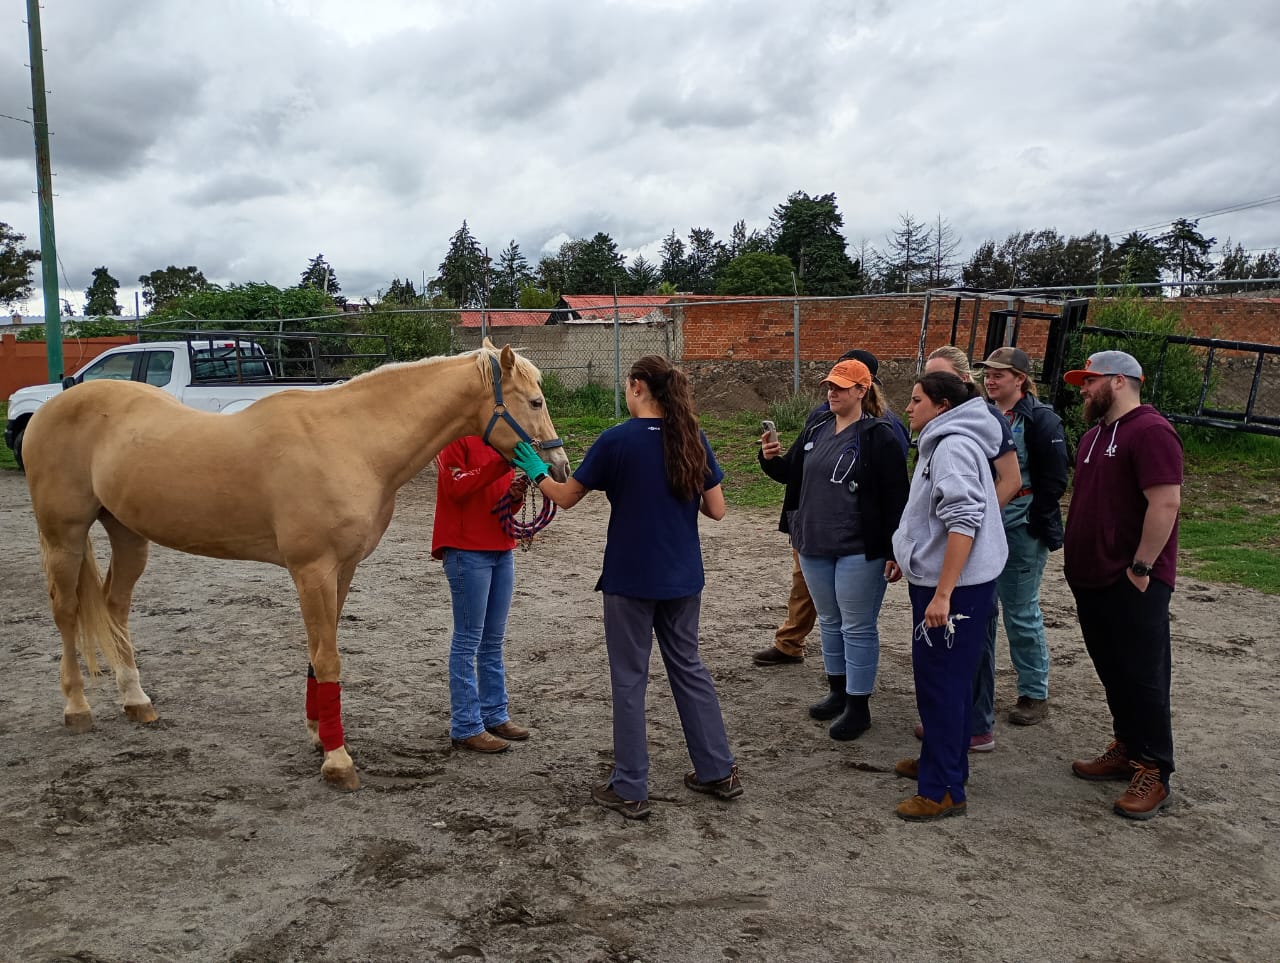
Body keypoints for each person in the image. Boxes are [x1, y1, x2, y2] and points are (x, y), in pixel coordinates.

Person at [510, 355, 739, 821]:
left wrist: (535, 468)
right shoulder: (691, 436)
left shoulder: (616, 440)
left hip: (631, 577)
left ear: (637, 386)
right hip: (683, 577)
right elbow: (717, 510)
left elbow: (566, 498)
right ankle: (718, 770)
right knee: (689, 668)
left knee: (630, 679)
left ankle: (631, 786)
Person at [759, 357, 909, 739]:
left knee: (857, 626)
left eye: (841, 387)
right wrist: (769, 458)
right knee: (829, 621)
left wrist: (894, 549)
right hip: (813, 542)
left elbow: (897, 497)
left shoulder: (879, 435)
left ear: (862, 390)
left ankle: (859, 706)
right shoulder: (818, 425)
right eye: (830, 386)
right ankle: (837, 691)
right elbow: (791, 472)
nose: (832, 393)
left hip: (859, 547)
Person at [1062, 350, 1183, 821]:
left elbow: (1165, 502)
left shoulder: (1151, 430)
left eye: (1090, 381)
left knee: (1143, 675)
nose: (1084, 389)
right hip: (1091, 576)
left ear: (1118, 381)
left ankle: (1155, 768)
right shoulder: (1093, 436)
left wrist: (1142, 567)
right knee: (1113, 670)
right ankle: (1128, 747)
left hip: (1132, 579)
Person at [888, 372, 1008, 821]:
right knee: (947, 683)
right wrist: (907, 553)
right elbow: (930, 517)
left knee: (941, 684)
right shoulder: (943, 443)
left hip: (953, 590)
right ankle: (945, 764)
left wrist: (943, 593)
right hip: (944, 581)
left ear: (942, 406)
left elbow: (964, 522)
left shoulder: (953, 447)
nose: (909, 408)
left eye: (916, 400)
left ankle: (942, 790)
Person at [916, 345, 1020, 752]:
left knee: (972, 643)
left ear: (958, 385)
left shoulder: (976, 424)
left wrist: (972, 530)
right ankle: (949, 731)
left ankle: (976, 725)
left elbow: (1009, 480)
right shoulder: (940, 432)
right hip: (949, 550)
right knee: (945, 657)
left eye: (937, 378)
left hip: (967, 557)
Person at [973, 347, 1069, 729]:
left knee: (1020, 611)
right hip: (983, 524)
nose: (990, 380)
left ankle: (1034, 692)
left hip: (1021, 527)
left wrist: (1034, 522)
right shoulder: (982, 414)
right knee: (981, 609)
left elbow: (1055, 480)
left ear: (1020, 379)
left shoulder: (1040, 420)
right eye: (987, 374)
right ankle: (980, 688)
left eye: (999, 374)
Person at [431, 436, 532, 754]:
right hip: (467, 550)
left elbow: (494, 499)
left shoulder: (497, 444)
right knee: (468, 639)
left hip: (499, 546)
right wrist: (501, 463)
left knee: (491, 639)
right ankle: (466, 725)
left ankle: (494, 713)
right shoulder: (455, 441)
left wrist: (514, 497)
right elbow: (456, 488)